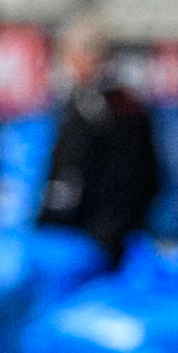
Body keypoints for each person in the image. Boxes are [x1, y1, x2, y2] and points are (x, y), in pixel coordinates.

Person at [37, 17, 161, 268]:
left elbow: (68, 180)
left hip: (92, 239)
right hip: (118, 233)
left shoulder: (92, 111)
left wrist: (48, 227)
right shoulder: (130, 106)